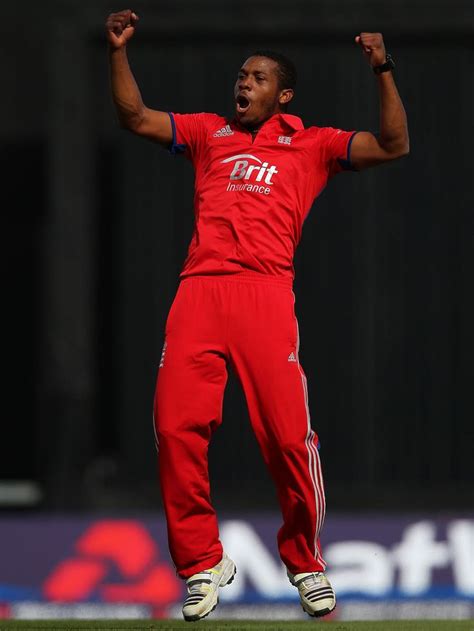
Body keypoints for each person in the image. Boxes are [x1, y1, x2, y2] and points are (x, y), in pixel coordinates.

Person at [106, 8, 409, 622]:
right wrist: (116, 52)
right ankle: (201, 563)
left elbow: (394, 144)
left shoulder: (312, 144)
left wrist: (382, 69)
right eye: (240, 75)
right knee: (174, 427)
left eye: (258, 77)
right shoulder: (206, 133)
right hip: (199, 293)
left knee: (287, 438)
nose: (242, 84)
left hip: (265, 295)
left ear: (283, 94)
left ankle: (305, 561)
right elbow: (135, 116)